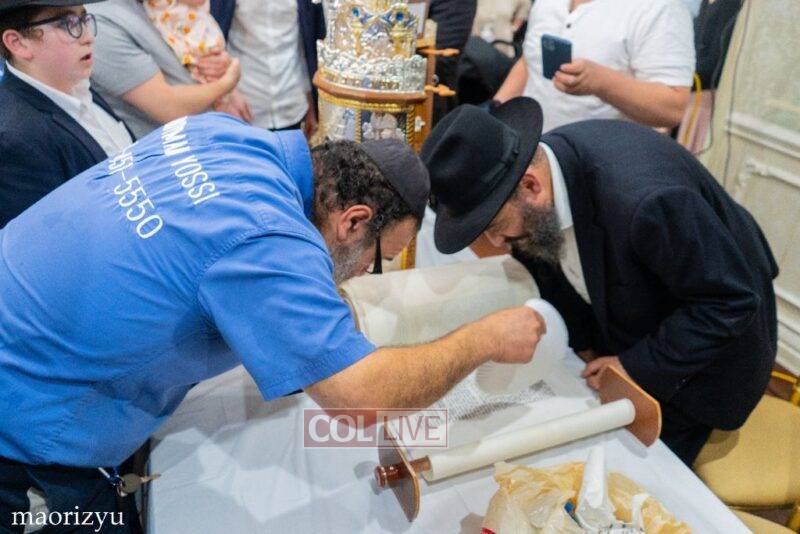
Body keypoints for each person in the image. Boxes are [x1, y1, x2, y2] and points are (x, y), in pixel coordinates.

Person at [0, 112, 544, 533]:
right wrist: (485, 338)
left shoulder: (224, 134)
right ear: (354, 221)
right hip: (26, 432)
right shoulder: (266, 237)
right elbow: (360, 399)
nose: (363, 273)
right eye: (378, 257)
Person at [421, 98, 779, 465]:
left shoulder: (647, 200)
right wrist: (585, 344)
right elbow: (555, 266)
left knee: (623, 467)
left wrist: (635, 366)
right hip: (635, 322)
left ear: (531, 186)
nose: (496, 242)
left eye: (495, 226)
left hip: (706, 361)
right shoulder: (542, 177)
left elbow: (729, 301)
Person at [0, 0, 133, 228]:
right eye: (68, 23)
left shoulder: (74, 81)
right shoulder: (16, 139)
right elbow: (56, 235)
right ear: (18, 43)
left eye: (84, 19)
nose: (88, 36)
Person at [494, 0, 695, 131]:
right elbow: (530, 61)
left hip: (594, 166)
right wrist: (496, 111)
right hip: (530, 151)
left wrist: (600, 82)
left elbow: (672, 108)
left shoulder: (660, 9)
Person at [87, 0, 243, 138]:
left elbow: (187, 49)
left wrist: (218, 63)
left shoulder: (145, 5)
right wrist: (226, 83)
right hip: (181, 150)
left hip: (213, 133)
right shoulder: (100, 23)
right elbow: (170, 107)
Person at [224, 0, 320, 136]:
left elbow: (304, 44)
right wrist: (227, 91)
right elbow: (212, 37)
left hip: (291, 103)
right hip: (244, 106)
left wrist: (310, 103)